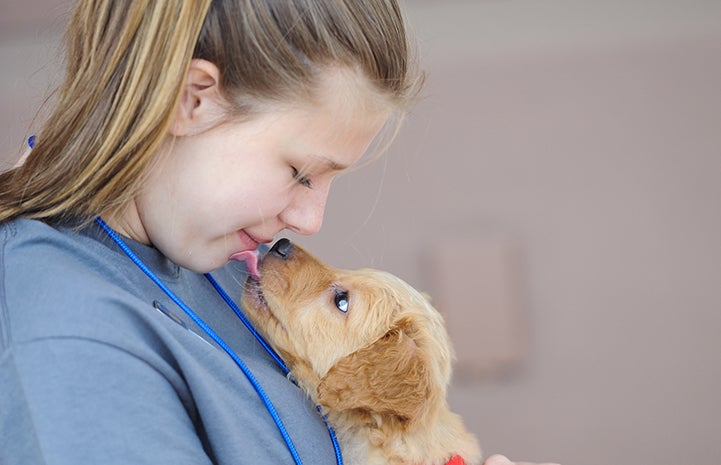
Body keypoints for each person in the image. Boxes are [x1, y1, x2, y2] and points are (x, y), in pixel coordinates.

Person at [0, 1, 557, 464]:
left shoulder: (216, 265)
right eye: (299, 172)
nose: (311, 221)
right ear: (192, 99)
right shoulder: (68, 331)